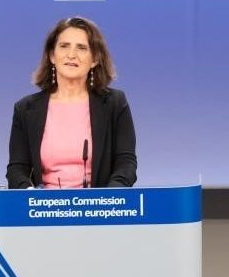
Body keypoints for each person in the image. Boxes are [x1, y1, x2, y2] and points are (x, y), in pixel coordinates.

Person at [7, 16, 137, 188]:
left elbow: (126, 164)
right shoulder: (25, 109)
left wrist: (108, 197)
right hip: (44, 203)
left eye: (81, 48)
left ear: (95, 59)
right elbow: (17, 170)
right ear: (52, 55)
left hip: (100, 203)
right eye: (64, 46)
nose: (71, 55)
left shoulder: (115, 103)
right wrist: (31, 195)